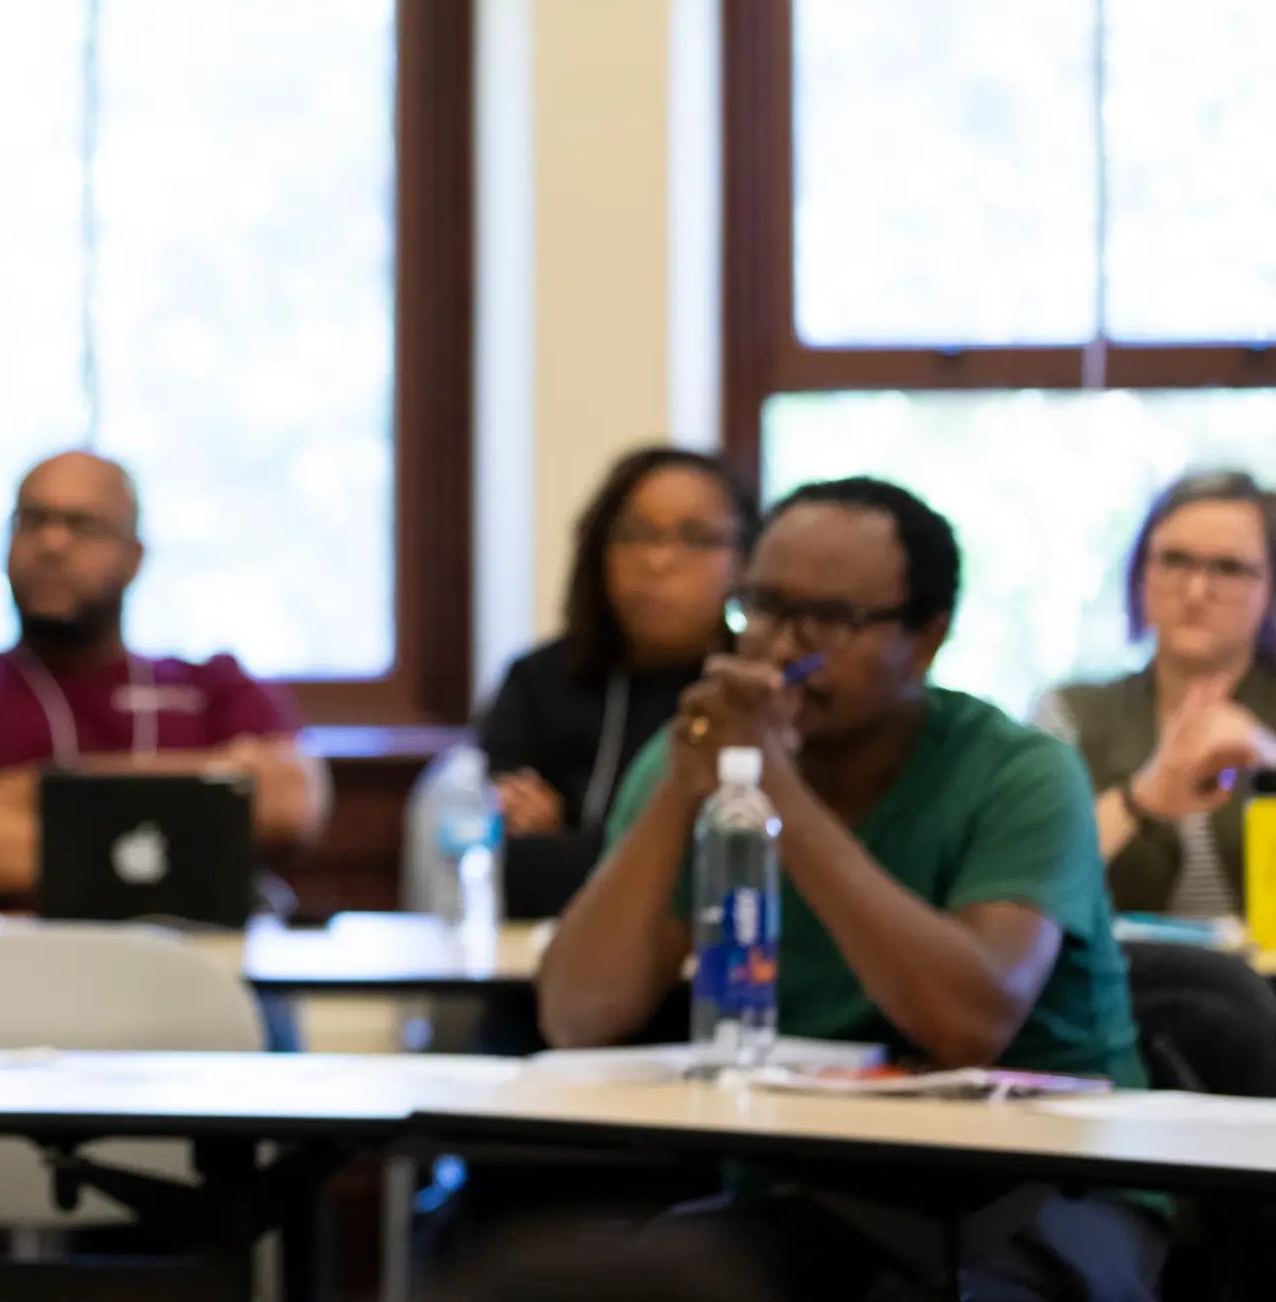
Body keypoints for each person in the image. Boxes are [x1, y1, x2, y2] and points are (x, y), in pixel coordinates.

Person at [538, 478, 1161, 1302]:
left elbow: (968, 1018)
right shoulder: (695, 757)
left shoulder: (1019, 773)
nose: (777, 647)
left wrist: (776, 795)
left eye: (829, 621)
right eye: (759, 606)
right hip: (814, 1182)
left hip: (1045, 1183)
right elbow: (580, 1015)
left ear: (927, 638)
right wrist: (682, 791)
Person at [0, 451, 328, 905]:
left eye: (82, 526)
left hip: (189, 965)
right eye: (32, 520)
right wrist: (203, 801)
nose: (52, 544)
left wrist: (39, 788)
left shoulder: (215, 686)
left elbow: (290, 806)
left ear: (135, 556)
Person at [479, 446, 756, 918]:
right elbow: (509, 869)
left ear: (745, 561)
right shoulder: (538, 681)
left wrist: (567, 842)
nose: (659, 561)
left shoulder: (752, 692)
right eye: (635, 534)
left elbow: (730, 873)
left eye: (695, 538)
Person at [1035, 470, 1276, 918]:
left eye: (1229, 568)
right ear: (1140, 574)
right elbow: (1026, 883)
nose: (1196, 590)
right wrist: (1143, 796)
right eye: (1174, 560)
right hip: (1119, 980)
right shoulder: (1073, 711)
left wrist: (1268, 757)